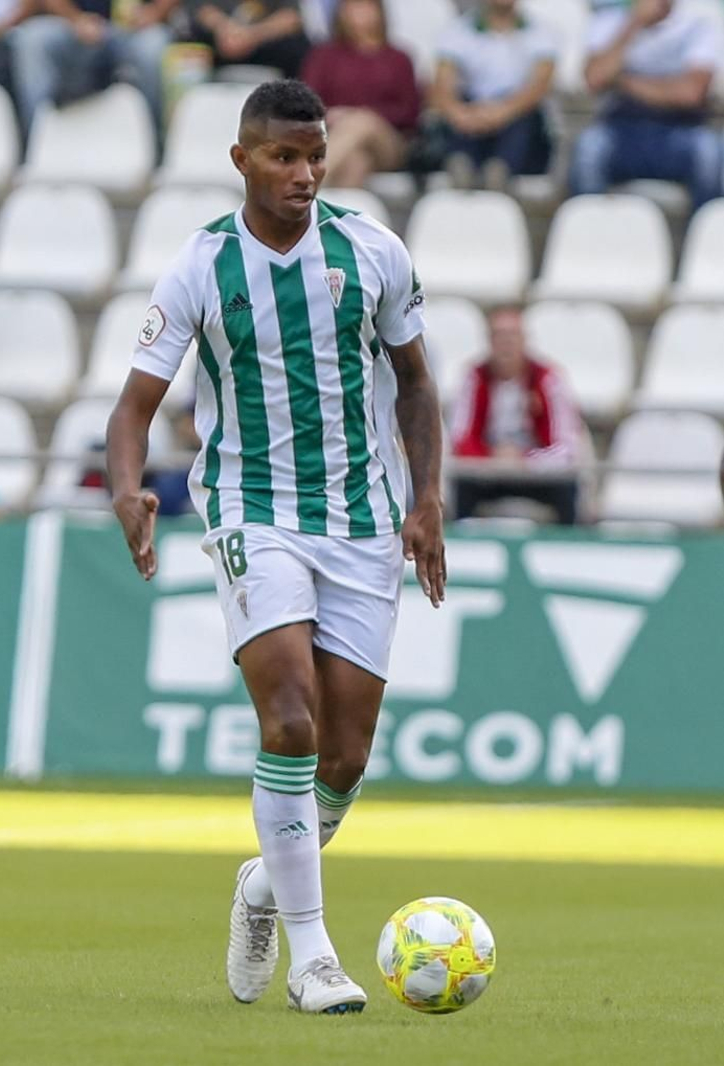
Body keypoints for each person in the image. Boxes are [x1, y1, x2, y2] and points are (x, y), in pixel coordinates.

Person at [105, 79, 445, 1014]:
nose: (303, 174)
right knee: (290, 720)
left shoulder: (372, 251)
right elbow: (134, 406)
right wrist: (127, 487)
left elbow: (417, 384)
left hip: (362, 518)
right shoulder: (201, 264)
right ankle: (313, 958)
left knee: (345, 756)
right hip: (250, 510)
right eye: (284, 157)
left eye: (314, 157)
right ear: (242, 160)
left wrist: (426, 501)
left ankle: (264, 883)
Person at [572, 0, 722, 209]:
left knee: (710, 153)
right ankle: (589, 227)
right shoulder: (608, 19)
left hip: (681, 130)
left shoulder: (699, 21)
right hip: (621, 129)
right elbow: (595, 78)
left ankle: (705, 229)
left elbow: (690, 94)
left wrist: (622, 82)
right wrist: (635, 23)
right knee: (588, 149)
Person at [448, 305, 583, 525]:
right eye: (499, 336)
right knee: (461, 486)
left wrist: (523, 460)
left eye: (512, 335)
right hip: (488, 472)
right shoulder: (473, 377)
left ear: (525, 340)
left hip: (535, 475)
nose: (506, 344)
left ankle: (568, 543)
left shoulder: (549, 379)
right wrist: (491, 458)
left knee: (567, 488)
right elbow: (460, 437)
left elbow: (566, 447)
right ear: (489, 341)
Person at [430, 0, 555, 189]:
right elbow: (443, 85)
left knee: (527, 118)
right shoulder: (457, 30)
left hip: (516, 116)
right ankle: (464, 166)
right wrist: (459, 114)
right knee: (457, 112)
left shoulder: (541, 32)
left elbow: (540, 86)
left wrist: (502, 111)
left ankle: (499, 171)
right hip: (472, 115)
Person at [299, 0, 418, 189]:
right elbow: (306, 101)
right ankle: (325, 206)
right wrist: (331, 114)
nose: (360, 13)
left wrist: (358, 114)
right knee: (356, 162)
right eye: (353, 7)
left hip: (387, 141)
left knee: (362, 120)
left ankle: (305, 183)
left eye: (366, 6)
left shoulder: (399, 59)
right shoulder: (324, 55)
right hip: (335, 136)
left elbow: (409, 111)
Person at [10, 0, 171, 136]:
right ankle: (33, 139)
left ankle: (157, 140)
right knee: (32, 38)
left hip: (134, 29)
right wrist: (75, 19)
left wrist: (154, 12)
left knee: (153, 44)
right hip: (76, 26)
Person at [168, 0, 313, 80]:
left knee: (301, 48)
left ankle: (295, 112)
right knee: (188, 44)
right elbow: (201, 9)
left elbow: (292, 17)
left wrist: (251, 35)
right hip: (219, 43)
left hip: (266, 44)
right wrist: (224, 29)